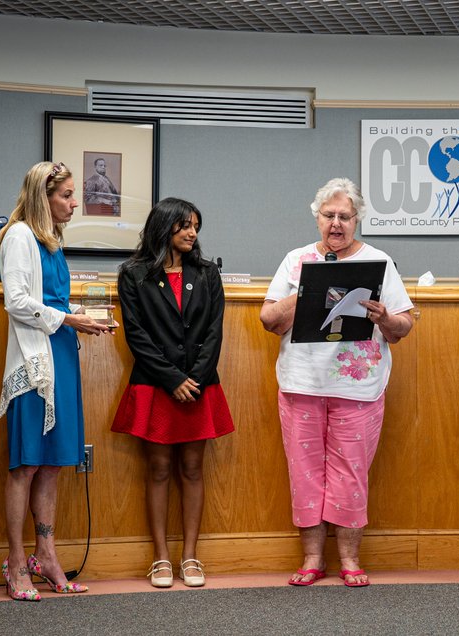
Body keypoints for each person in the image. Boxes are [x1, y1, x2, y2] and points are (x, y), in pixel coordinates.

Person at [260, 177, 414, 588]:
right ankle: (312, 559)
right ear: (317, 218)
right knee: (305, 474)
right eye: (329, 215)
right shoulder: (295, 260)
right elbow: (269, 321)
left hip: (358, 388)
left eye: (345, 216)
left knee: (350, 473)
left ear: (357, 219)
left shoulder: (380, 261)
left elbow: (403, 327)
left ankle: (350, 558)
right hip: (301, 385)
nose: (337, 224)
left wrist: (385, 318)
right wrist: (310, 285)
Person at [0, 162, 114, 601]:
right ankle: (14, 562)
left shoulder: (51, 241)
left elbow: (53, 299)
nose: (73, 202)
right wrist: (71, 319)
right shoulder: (20, 236)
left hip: (61, 354)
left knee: (52, 464)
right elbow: (17, 301)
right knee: (25, 464)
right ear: (42, 197)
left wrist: (82, 320)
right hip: (33, 363)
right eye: (65, 194)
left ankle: (46, 556)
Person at [111, 197, 234, 588]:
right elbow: (136, 335)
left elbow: (215, 331)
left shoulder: (207, 272)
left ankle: (191, 558)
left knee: (193, 469)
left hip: (199, 386)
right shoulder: (134, 274)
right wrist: (172, 379)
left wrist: (193, 379)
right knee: (160, 469)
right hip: (156, 385)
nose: (192, 233)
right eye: (184, 225)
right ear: (164, 227)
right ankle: (161, 559)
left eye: (195, 226)